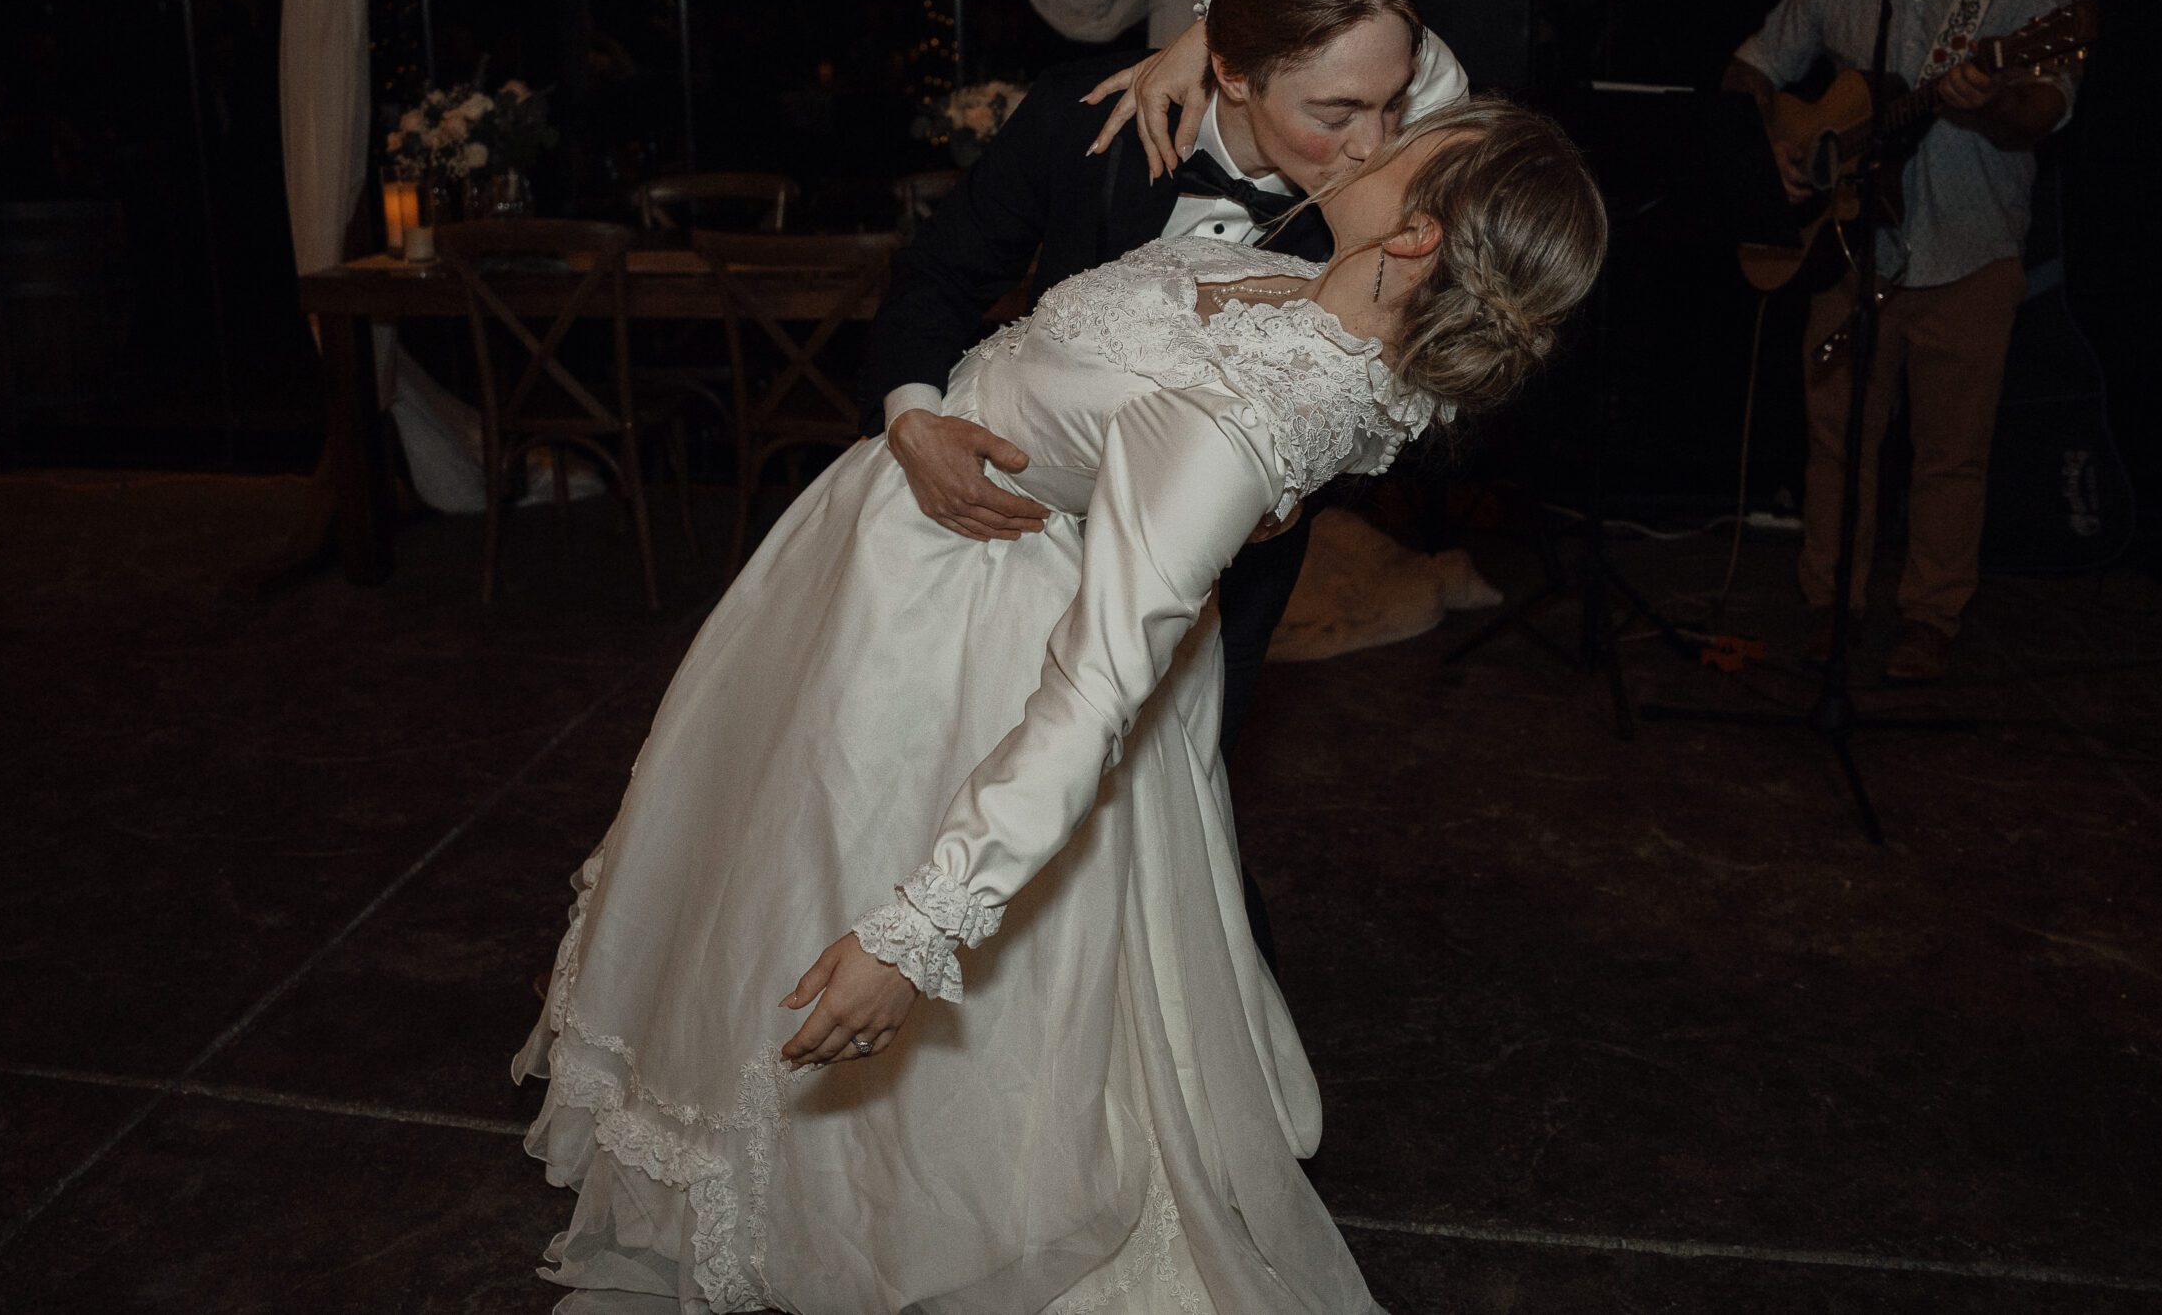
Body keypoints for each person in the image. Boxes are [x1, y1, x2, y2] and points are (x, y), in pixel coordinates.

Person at [513, 95, 1606, 1313]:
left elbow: (1094, 691)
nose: (1361, 140)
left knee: (840, 896)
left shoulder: (1233, 425)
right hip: (877, 582)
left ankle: (871, 1228)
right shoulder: (1318, 291)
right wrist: (1201, 30)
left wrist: (918, 933)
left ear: (1414, 238)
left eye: (1394, 144)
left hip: (961, 652)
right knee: (755, 867)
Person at [861, 0, 1469, 828]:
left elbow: (1413, 397)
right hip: (1029, 548)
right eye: (1337, 114)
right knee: (966, 792)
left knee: (1181, 836)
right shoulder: (1081, 118)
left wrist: (1302, 477)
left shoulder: (1382, 205)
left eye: (1389, 108)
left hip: (1232, 584)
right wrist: (913, 418)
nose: (1373, 144)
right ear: (1232, 72)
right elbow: (936, 277)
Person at [1724, 0, 2082, 684]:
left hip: (1970, 256)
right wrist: (1775, 135)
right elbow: (1753, 65)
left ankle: (1930, 619)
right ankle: (1830, 608)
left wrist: (1988, 104)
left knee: (1951, 456)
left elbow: (2042, 108)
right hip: (1847, 248)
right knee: (1836, 442)